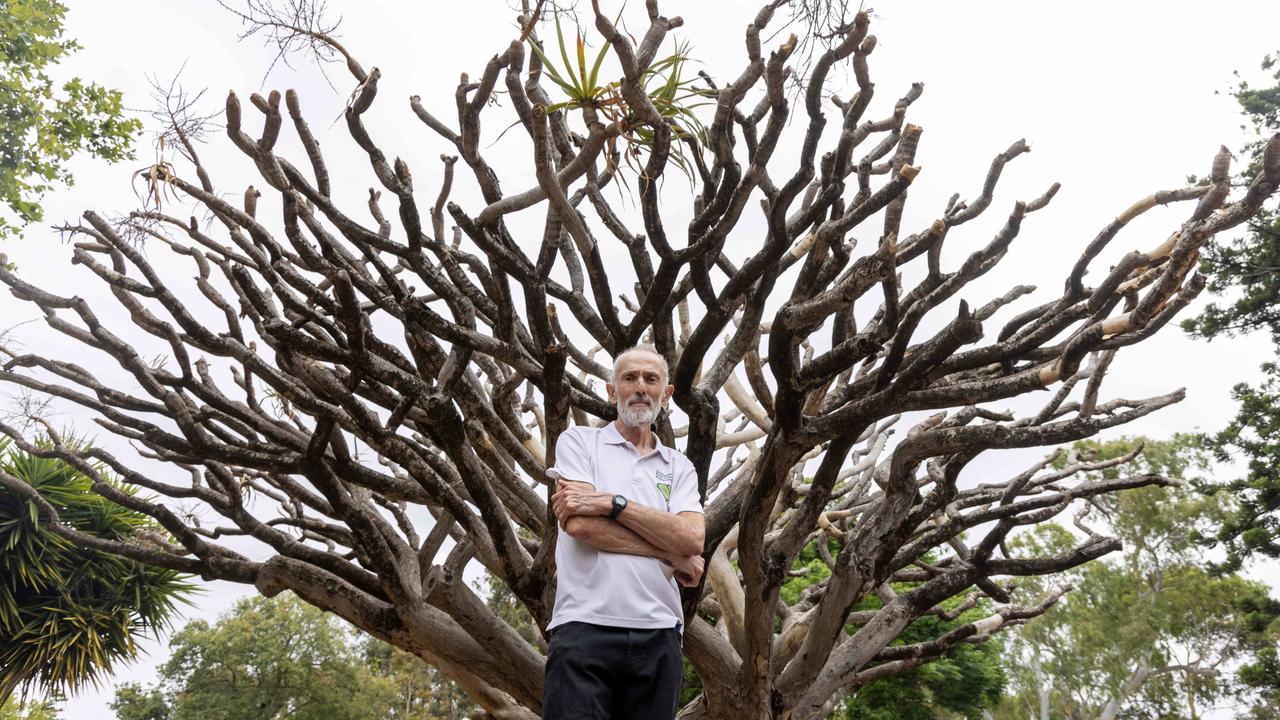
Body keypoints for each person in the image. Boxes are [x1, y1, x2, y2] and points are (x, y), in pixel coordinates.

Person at [542, 345, 706, 720]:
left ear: (667, 395)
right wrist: (668, 553)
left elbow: (692, 539)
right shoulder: (580, 443)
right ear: (611, 391)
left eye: (651, 379)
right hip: (583, 627)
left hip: (660, 632)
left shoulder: (679, 467)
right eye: (629, 378)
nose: (640, 387)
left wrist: (614, 504)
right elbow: (581, 525)